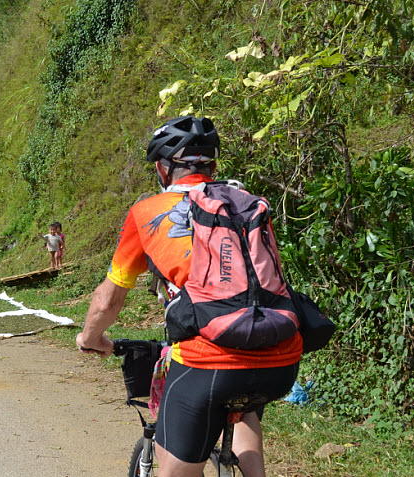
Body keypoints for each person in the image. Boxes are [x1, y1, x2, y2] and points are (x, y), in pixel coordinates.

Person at [76, 116, 302, 477]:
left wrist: (90, 338)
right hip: (280, 357)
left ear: (162, 169)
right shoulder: (246, 202)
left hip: (207, 360)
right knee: (244, 408)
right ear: (212, 165)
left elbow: (108, 301)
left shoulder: (146, 211)